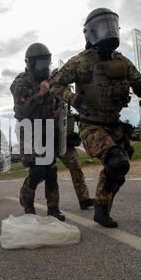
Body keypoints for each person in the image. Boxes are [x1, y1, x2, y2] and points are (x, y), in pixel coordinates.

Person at [49, 8, 141, 228]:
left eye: (110, 25)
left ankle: (101, 210)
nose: (108, 30)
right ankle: (101, 209)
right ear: (91, 32)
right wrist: (73, 98)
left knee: (118, 170)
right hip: (91, 126)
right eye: (103, 26)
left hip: (114, 125)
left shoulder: (121, 61)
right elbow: (54, 84)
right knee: (116, 160)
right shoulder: (80, 62)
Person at [10, 42, 65, 221]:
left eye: (46, 63)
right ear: (30, 64)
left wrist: (56, 110)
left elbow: (56, 101)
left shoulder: (50, 79)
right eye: (40, 64)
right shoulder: (21, 83)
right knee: (37, 168)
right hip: (29, 128)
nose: (44, 68)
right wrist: (40, 94)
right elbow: (23, 110)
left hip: (47, 127)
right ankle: (27, 202)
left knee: (51, 169)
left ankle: (53, 209)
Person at [50, 69, 95, 210]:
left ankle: (84, 199)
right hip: (49, 141)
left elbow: (66, 115)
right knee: (45, 173)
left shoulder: (66, 98)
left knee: (75, 167)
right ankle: (50, 206)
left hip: (64, 141)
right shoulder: (47, 99)